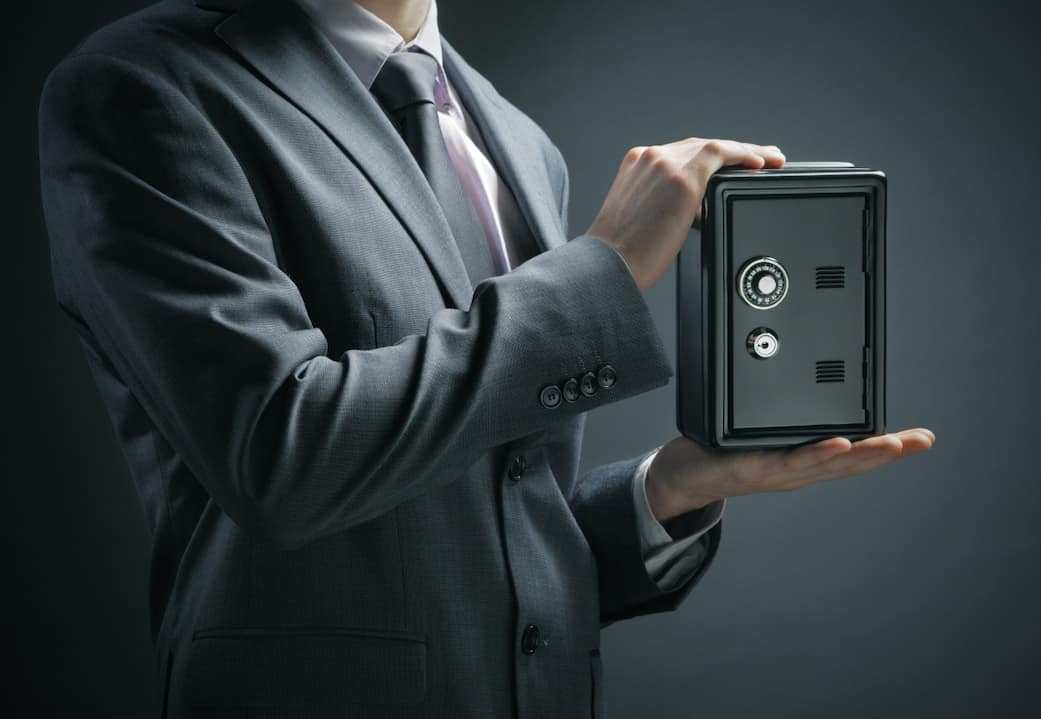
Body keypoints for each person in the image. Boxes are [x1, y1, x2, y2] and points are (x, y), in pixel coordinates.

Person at [37, 0, 934, 716]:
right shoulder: (143, 86)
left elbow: (482, 525)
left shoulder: (515, 137)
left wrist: (673, 488)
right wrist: (607, 268)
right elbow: (280, 455)